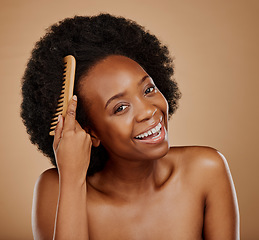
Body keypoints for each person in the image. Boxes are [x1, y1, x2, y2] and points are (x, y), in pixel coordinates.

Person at [21, 13, 239, 239]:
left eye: (148, 90)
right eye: (120, 108)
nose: (148, 111)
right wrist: (73, 181)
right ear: (89, 131)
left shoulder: (205, 170)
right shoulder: (56, 188)